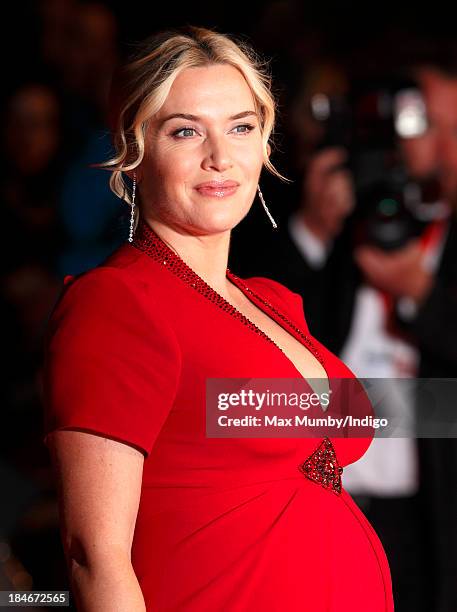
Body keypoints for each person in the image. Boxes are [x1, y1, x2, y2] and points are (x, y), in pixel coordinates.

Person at [41, 26, 394, 611]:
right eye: (185, 131)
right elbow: (94, 557)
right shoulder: (119, 303)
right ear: (134, 151)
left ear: (265, 145)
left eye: (240, 127)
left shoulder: (272, 302)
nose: (219, 157)